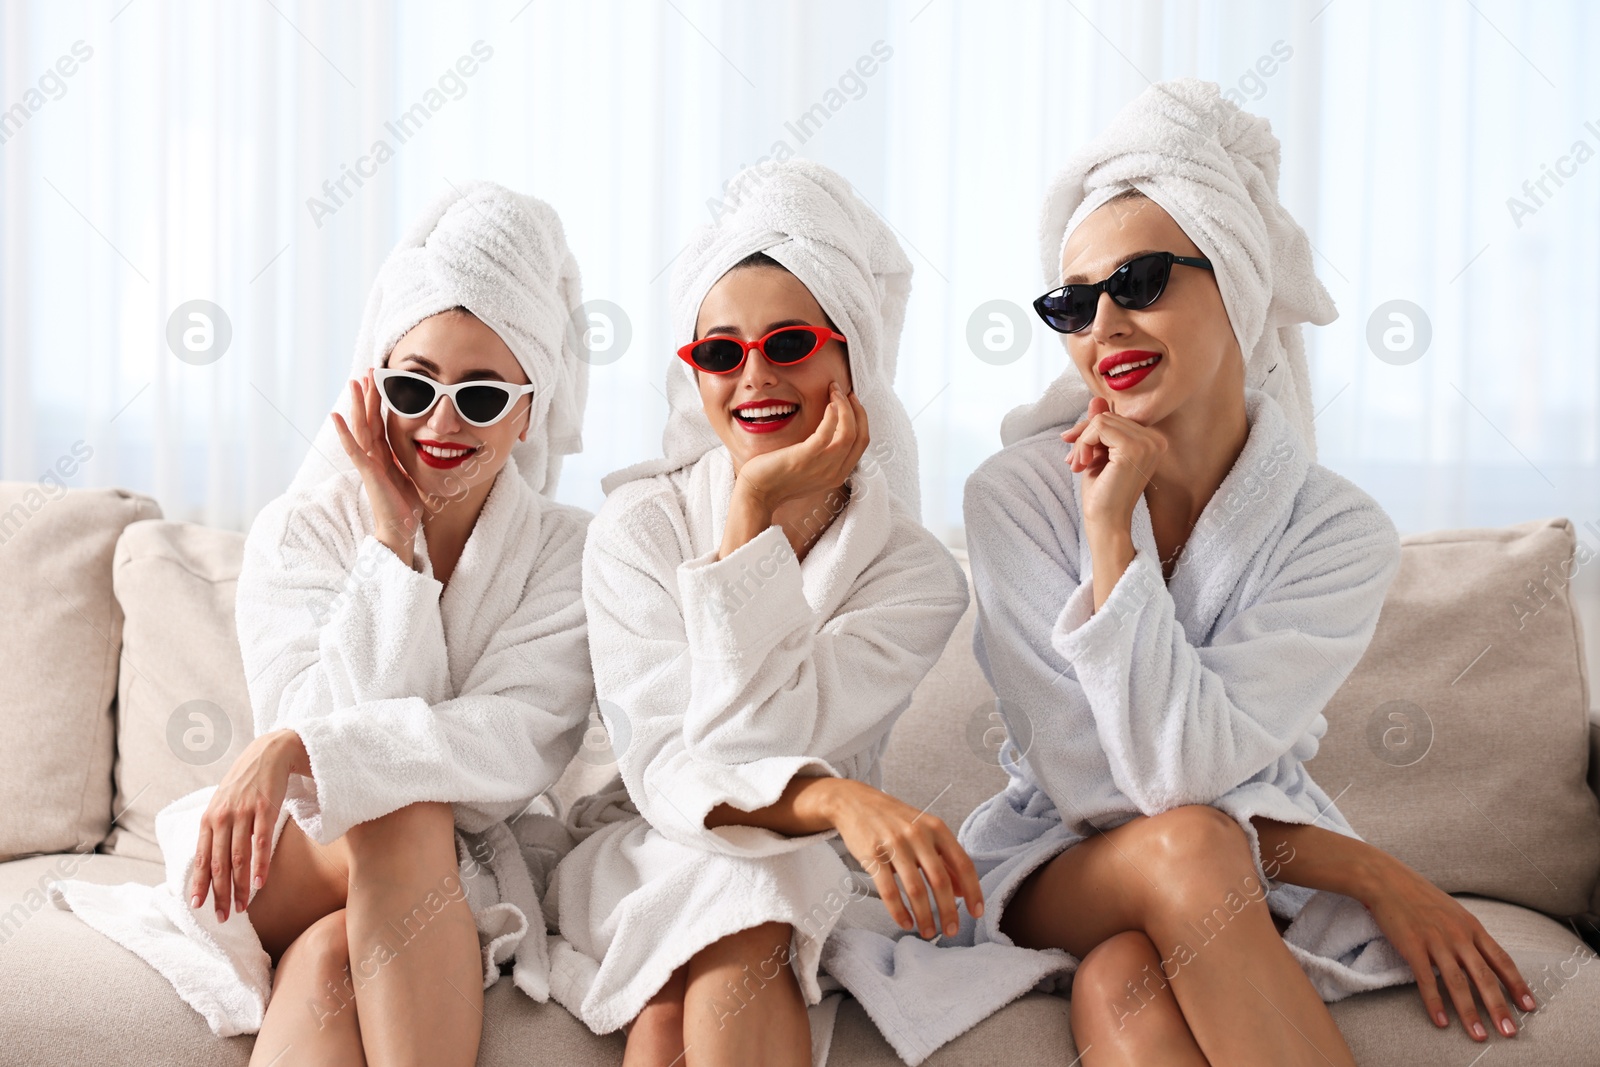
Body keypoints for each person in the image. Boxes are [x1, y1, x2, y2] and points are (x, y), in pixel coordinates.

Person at [955, 79, 1537, 1065]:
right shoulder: (1017, 496)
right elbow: (1116, 789)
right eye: (1073, 301)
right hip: (1053, 862)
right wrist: (1109, 534)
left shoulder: (1336, 531)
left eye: (1138, 281)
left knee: (1118, 984)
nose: (1103, 325)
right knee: (1186, 842)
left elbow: (1190, 775)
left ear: (1236, 276)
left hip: (1229, 866)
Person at [51, 181, 597, 1067]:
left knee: (329, 958)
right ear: (374, 383)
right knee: (398, 810)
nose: (441, 421)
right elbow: (319, 723)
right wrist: (390, 543)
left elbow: (509, 752)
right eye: (413, 385)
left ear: (532, 407)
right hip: (281, 857)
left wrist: (298, 747)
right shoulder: (301, 529)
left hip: (432, 873)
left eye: (483, 396)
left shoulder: (568, 555)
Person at [548, 158, 978, 1067]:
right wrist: (751, 512)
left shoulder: (916, 575)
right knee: (745, 903)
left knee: (672, 1018)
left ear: (849, 350)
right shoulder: (638, 526)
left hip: (805, 853)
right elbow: (674, 767)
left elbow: (749, 739)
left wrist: (749, 521)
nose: (752, 377)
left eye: (789, 345)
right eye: (719, 351)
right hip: (652, 840)